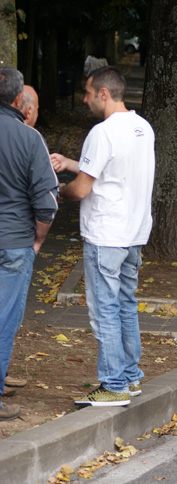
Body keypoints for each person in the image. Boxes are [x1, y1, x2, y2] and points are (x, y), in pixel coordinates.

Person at [50, 66, 155, 407]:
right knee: (125, 305)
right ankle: (131, 377)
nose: (84, 99)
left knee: (104, 310)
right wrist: (71, 161)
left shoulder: (102, 132)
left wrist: (60, 190)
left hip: (105, 233)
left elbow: (82, 190)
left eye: (87, 93)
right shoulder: (142, 127)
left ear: (104, 94)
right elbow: (113, 169)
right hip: (134, 233)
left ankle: (112, 385)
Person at [0, 68, 59, 421]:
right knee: (4, 320)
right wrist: (38, 238)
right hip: (14, 242)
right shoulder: (29, 139)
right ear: (19, 100)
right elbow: (47, 203)